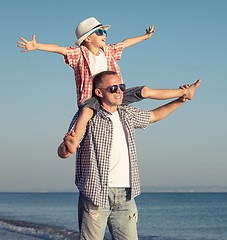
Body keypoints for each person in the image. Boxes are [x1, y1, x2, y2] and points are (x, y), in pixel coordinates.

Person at [17, 17, 200, 153]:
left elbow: (126, 43)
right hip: (92, 97)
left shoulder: (109, 51)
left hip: (115, 92)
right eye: (99, 32)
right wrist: (37, 46)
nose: (104, 34)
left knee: (144, 91)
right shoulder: (79, 54)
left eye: (104, 32)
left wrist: (145, 37)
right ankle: (74, 140)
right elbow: (60, 49)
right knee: (87, 112)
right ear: (87, 38)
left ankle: (184, 93)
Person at [57, 71, 201, 240]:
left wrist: (179, 101)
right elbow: (63, 152)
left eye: (122, 87)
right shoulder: (89, 115)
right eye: (113, 88)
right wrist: (68, 148)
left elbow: (154, 116)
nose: (119, 91)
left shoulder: (126, 113)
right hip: (96, 194)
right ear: (99, 92)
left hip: (126, 195)